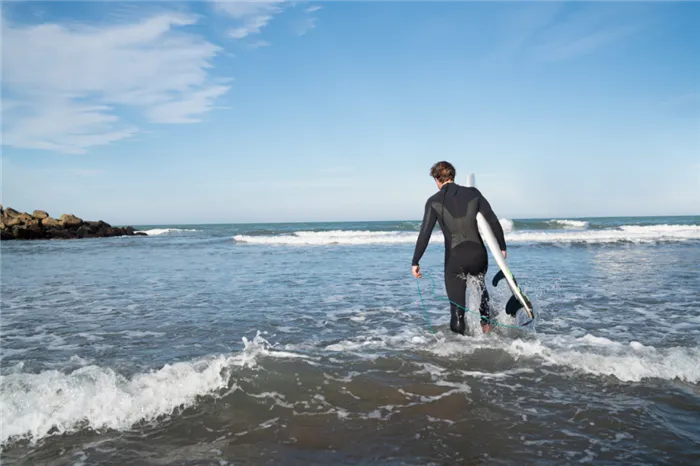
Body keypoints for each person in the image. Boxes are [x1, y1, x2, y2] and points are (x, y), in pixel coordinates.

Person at [411, 161, 507, 335]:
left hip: (455, 259)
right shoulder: (473, 193)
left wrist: (416, 260)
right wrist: (502, 246)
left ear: (436, 178)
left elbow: (425, 233)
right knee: (480, 286)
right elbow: (493, 220)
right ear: (452, 176)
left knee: (457, 310)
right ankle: (487, 329)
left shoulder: (433, 201)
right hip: (479, 255)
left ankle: (460, 349)